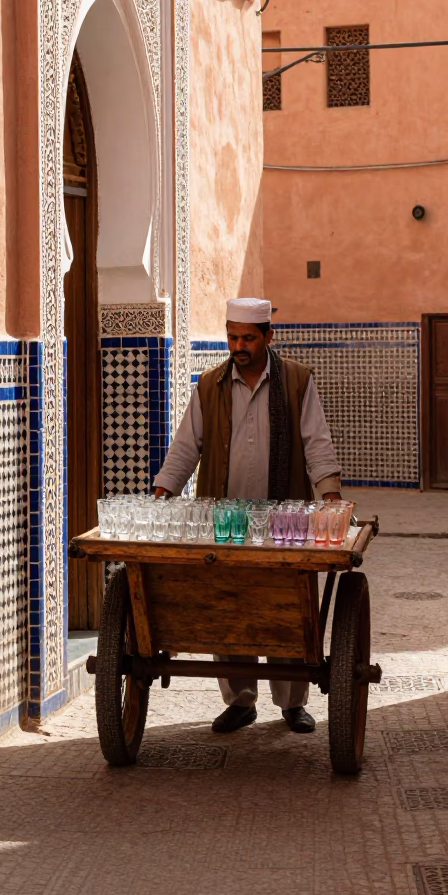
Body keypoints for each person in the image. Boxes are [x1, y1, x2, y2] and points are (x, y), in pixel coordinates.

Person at [153, 297, 343, 735]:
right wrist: (164, 491)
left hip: (283, 520)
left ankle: (292, 703)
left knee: (286, 607)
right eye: (232, 337)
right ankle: (240, 700)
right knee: (229, 606)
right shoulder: (209, 385)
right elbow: (186, 447)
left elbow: (316, 441)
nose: (238, 346)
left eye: (247, 338)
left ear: (268, 337)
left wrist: (329, 494)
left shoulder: (297, 381)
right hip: (225, 521)